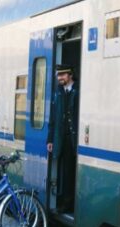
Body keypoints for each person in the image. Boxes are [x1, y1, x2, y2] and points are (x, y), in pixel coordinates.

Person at [47, 64, 79, 213]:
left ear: (70, 75)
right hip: (62, 138)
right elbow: (53, 118)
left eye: (63, 75)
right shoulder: (58, 92)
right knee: (64, 171)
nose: (60, 78)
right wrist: (50, 140)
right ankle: (64, 201)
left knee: (72, 172)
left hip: (75, 139)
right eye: (58, 75)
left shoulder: (78, 91)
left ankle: (71, 202)